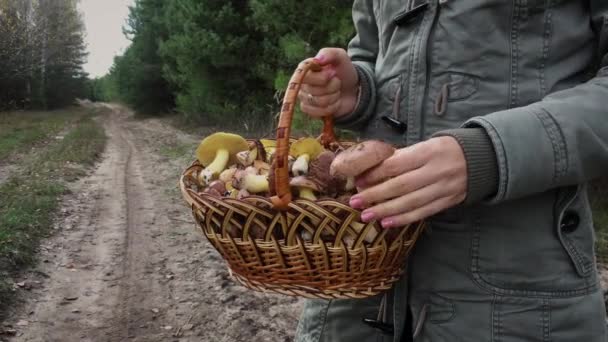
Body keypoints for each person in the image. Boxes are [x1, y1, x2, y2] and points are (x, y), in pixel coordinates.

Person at [294, 1, 608, 341]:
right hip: (353, 291)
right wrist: (357, 91)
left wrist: (489, 154)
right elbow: (373, 51)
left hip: (516, 308)